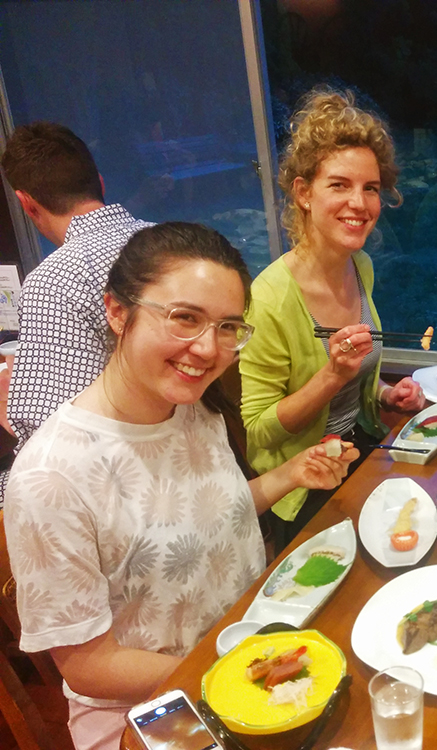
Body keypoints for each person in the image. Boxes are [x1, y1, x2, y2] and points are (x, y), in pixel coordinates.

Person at [3, 223, 358, 750]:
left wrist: (291, 474)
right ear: (117, 311)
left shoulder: (192, 408)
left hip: (248, 662)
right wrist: (234, 672)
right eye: (185, 318)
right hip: (154, 713)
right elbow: (89, 667)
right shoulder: (51, 477)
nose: (208, 349)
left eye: (227, 327)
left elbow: (208, 519)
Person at [240, 89, 425, 551]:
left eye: (370, 188)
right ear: (303, 193)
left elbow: (354, 377)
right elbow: (258, 429)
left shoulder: (359, 265)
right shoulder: (268, 297)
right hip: (304, 482)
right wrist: (331, 375)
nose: (359, 203)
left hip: (359, 450)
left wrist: (386, 393)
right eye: (339, 185)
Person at [0, 122, 153, 505]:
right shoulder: (173, 242)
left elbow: (54, 438)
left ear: (26, 203)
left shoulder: (56, 279)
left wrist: (10, 407)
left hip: (124, 482)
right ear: (99, 182)